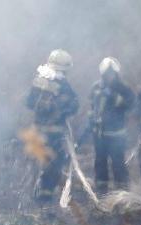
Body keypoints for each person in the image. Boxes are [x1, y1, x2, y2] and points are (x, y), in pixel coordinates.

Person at [25, 49, 79, 203]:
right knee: (53, 168)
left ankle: (37, 199)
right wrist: (62, 108)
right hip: (53, 135)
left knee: (41, 168)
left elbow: (28, 103)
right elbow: (75, 105)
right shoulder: (62, 83)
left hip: (37, 132)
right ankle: (44, 202)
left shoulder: (38, 81)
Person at [86, 57, 135, 194]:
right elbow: (91, 105)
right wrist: (91, 118)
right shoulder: (96, 87)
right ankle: (102, 191)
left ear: (116, 74)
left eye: (112, 74)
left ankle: (123, 191)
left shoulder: (123, 88)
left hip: (116, 134)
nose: (110, 76)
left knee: (118, 162)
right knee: (100, 162)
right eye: (107, 74)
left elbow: (131, 105)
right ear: (102, 74)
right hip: (100, 133)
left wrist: (114, 97)